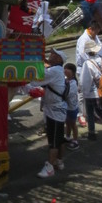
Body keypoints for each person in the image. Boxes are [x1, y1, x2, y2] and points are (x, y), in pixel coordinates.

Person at [32, 49, 68, 178]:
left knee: (53, 140)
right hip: (57, 109)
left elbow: (36, 79)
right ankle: (59, 161)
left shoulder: (54, 71)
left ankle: (50, 167)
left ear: (59, 59)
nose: (50, 55)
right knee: (59, 138)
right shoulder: (57, 70)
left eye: (54, 54)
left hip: (54, 110)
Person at [75, 22, 102, 127]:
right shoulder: (83, 39)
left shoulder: (94, 37)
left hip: (93, 68)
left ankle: (91, 113)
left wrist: (99, 62)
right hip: (83, 68)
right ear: (91, 29)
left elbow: (101, 49)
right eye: (96, 31)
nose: (97, 33)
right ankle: (81, 114)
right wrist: (92, 63)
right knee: (82, 92)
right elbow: (82, 54)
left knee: (93, 92)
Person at [63, 63, 80, 151]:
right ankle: (68, 137)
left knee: (73, 124)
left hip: (72, 106)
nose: (65, 70)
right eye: (64, 68)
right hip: (67, 106)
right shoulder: (67, 80)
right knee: (67, 122)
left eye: (67, 69)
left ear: (72, 72)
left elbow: (69, 94)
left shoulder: (73, 82)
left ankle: (75, 140)